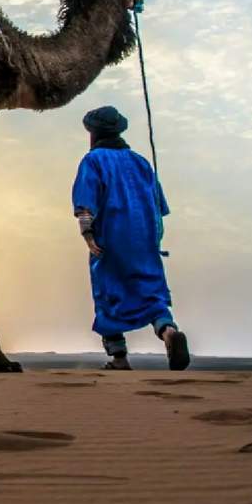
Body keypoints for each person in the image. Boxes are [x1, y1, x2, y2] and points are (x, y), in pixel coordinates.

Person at [71, 106, 190, 371]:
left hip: (110, 240)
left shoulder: (93, 161)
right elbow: (159, 206)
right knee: (152, 294)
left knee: (108, 294)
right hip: (145, 241)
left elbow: (85, 204)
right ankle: (168, 331)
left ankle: (119, 357)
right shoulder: (140, 161)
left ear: (94, 132)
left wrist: (88, 235)